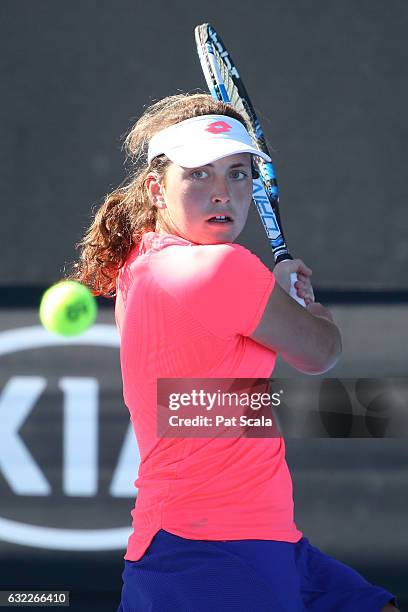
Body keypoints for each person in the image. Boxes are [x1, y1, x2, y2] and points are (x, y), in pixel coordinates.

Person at [70, 93, 399, 611]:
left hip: (251, 539)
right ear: (157, 187)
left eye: (239, 173)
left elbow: (214, 401)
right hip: (210, 556)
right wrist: (310, 309)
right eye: (199, 174)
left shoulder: (143, 262)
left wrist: (274, 297)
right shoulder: (221, 267)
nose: (223, 192)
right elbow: (320, 353)